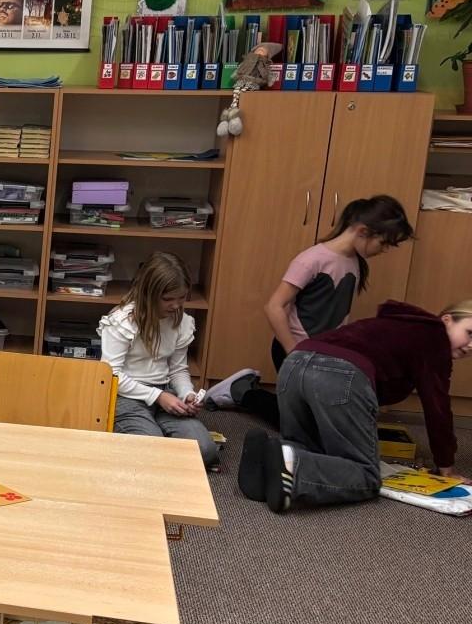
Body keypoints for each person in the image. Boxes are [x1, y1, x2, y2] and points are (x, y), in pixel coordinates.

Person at [239, 301, 472, 512]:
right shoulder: (435, 339)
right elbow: (438, 408)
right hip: (338, 375)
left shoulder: (399, 324)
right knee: (366, 474)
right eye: (469, 333)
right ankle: (295, 466)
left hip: (294, 363)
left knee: (309, 449)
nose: (471, 346)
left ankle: (268, 461)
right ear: (447, 320)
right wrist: (446, 465)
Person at [206, 195, 414, 425]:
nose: (384, 250)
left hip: (323, 352)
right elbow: (274, 306)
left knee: (322, 420)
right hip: (296, 349)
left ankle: (247, 392)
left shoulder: (354, 261)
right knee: (302, 425)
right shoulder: (313, 259)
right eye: (383, 243)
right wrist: (294, 352)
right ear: (363, 231)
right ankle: (241, 391)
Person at [99, 252, 219, 467]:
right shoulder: (122, 321)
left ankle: (155, 441)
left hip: (165, 394)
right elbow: (111, 375)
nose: (176, 305)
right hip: (126, 397)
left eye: (181, 297)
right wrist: (158, 396)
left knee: (206, 450)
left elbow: (178, 369)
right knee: (152, 451)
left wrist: (187, 393)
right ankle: (154, 443)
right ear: (148, 293)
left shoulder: (182, 322)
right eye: (168, 299)